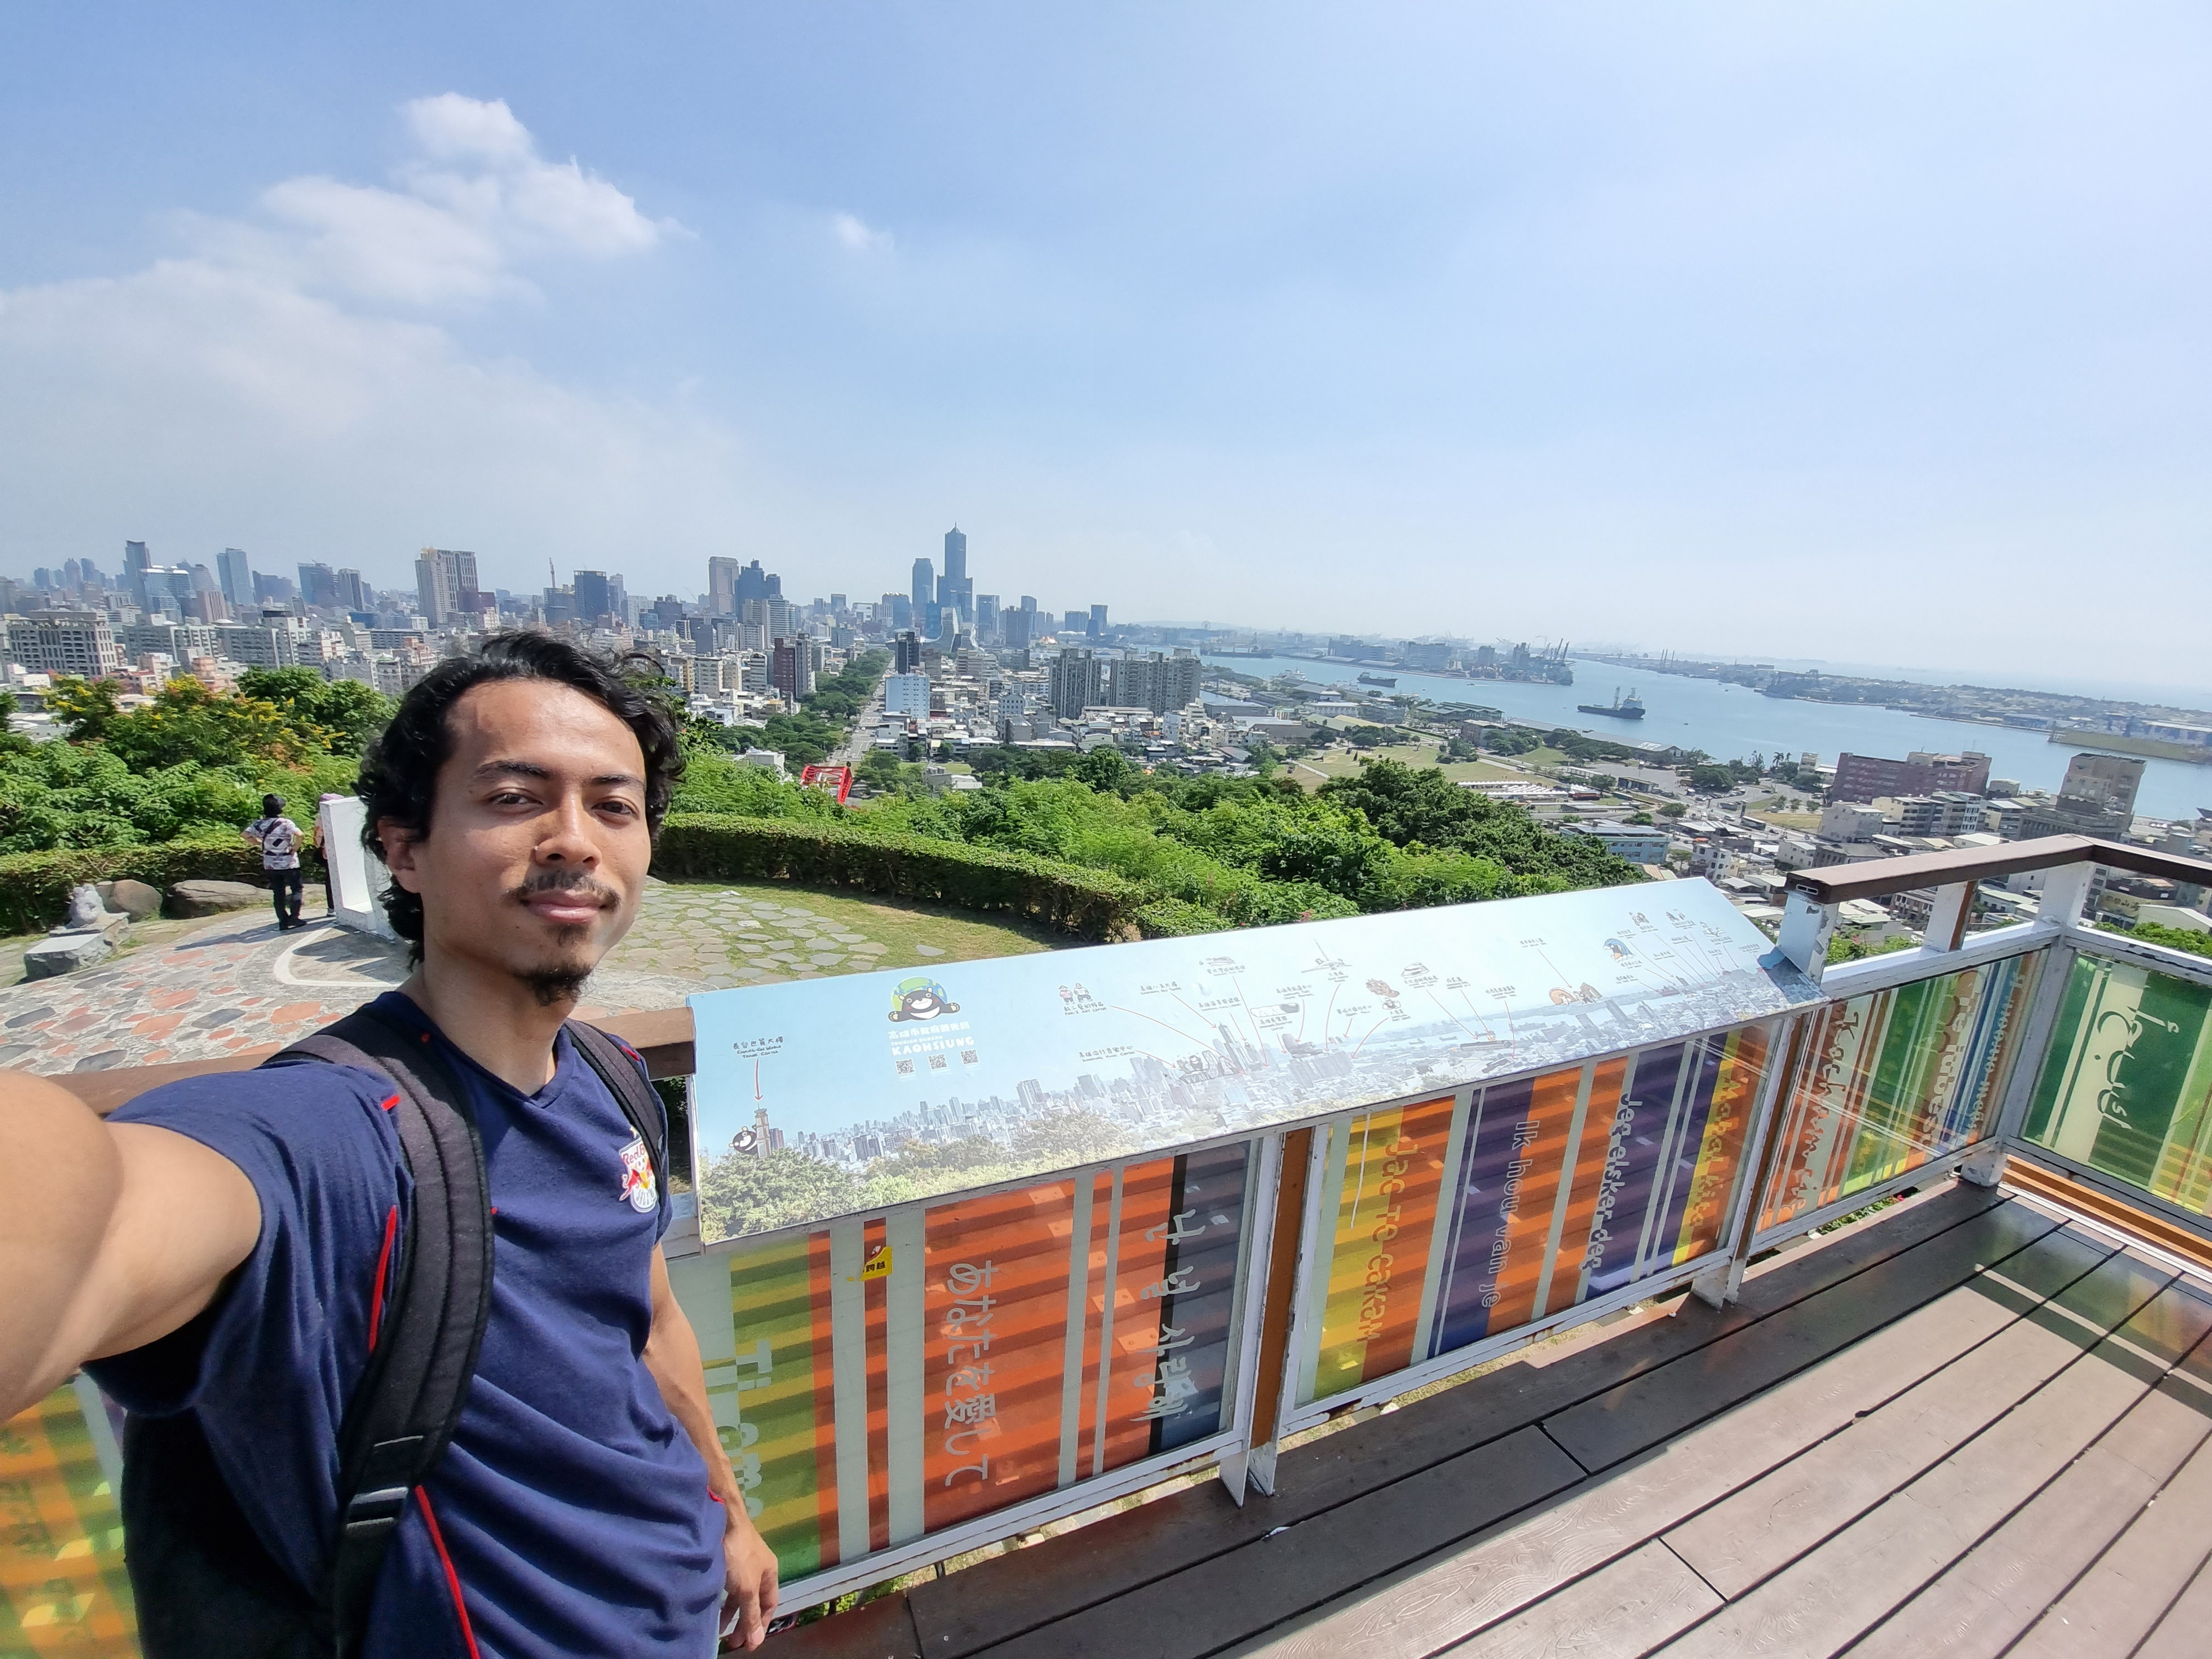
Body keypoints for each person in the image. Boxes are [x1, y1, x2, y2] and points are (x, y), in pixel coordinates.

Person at [3, 632, 780, 1656]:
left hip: (675, 1605)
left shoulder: (610, 1077)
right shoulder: (337, 1135)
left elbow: (646, 1316)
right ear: (403, 848)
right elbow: (107, 1210)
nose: (573, 839)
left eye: (613, 806)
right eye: (515, 798)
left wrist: (729, 1513)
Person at [244, 792, 306, 930]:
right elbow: (300, 834)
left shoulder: (259, 824)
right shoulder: (286, 823)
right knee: (296, 889)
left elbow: (245, 835)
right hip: (289, 863)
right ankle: (294, 918)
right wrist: (296, 847)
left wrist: (257, 842)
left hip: (270, 864)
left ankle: (283, 921)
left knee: (278, 893)